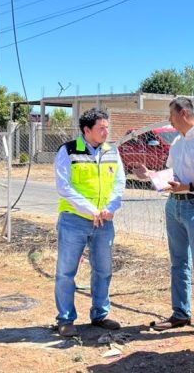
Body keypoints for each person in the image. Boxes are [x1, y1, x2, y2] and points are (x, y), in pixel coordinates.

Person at [142, 97, 194, 338]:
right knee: (178, 262)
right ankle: (180, 313)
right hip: (174, 205)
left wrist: (187, 186)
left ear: (184, 113)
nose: (169, 120)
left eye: (171, 115)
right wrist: (151, 175)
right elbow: (173, 175)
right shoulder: (178, 141)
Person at [54, 108, 126, 337]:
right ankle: (66, 319)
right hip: (74, 220)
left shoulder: (112, 151)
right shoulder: (68, 151)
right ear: (87, 130)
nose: (106, 132)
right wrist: (90, 209)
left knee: (103, 270)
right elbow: (64, 187)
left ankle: (100, 315)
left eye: (107, 127)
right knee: (66, 272)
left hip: (104, 222)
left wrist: (111, 207)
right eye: (101, 128)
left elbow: (119, 183)